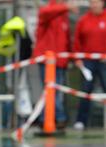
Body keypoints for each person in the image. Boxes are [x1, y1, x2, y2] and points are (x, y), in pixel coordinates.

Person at [73, 0, 106, 130]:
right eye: (92, 2)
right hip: (88, 62)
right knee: (86, 90)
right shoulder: (83, 20)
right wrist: (78, 58)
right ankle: (81, 121)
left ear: (102, 3)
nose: (94, 5)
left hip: (105, 62)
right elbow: (77, 40)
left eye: (97, 2)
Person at [32, 0, 78, 130]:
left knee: (54, 92)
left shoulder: (64, 17)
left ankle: (45, 118)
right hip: (47, 61)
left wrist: (70, 57)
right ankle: (58, 118)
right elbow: (44, 12)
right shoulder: (48, 12)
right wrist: (66, 7)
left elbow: (67, 39)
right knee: (50, 91)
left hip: (60, 61)